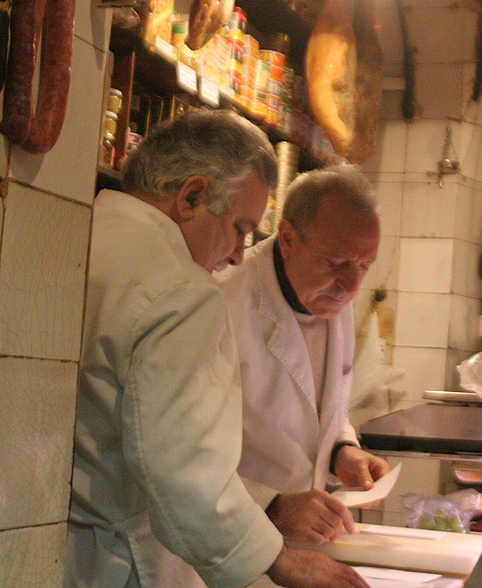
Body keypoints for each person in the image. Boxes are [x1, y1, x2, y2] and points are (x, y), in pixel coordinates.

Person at [64, 109, 370, 588]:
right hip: (121, 563)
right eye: (240, 229)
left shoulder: (76, 232)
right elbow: (185, 472)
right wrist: (283, 562)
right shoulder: (182, 291)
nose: (237, 254)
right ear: (191, 197)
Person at [217, 165, 390, 549]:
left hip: (300, 546)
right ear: (288, 239)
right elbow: (181, 453)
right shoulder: (223, 302)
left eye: (365, 265)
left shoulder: (330, 294)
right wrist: (270, 505)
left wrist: (342, 450)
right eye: (335, 262)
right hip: (225, 546)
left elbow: (316, 404)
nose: (352, 285)